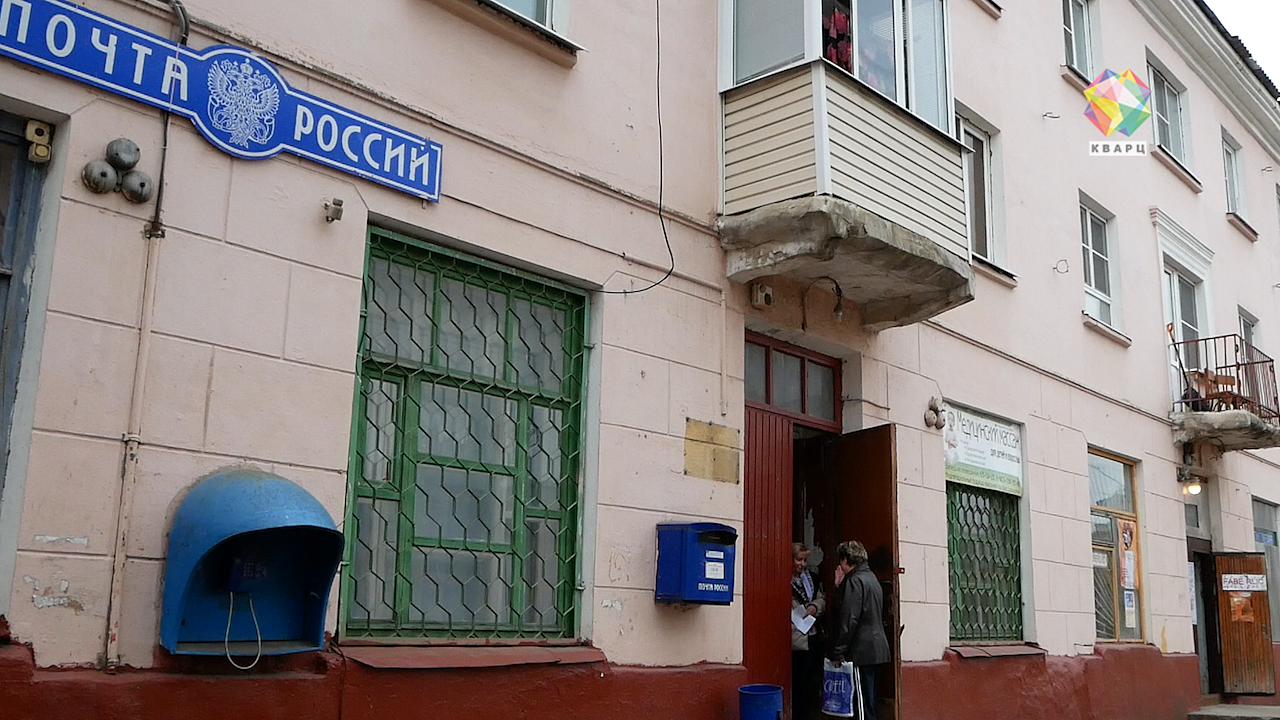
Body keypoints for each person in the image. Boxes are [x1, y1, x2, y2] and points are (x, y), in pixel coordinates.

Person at [826, 540, 890, 720]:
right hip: (875, 649)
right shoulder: (871, 578)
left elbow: (849, 618)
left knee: (860, 704)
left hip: (861, 651)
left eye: (841, 561)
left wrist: (838, 651)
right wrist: (839, 587)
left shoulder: (855, 581)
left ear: (846, 560)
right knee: (868, 701)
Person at [791, 543, 825, 720]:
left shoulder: (812, 579)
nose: (802, 564)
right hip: (794, 637)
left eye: (805, 560)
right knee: (796, 680)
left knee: (809, 680)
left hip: (811, 633)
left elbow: (822, 598)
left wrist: (815, 607)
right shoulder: (783, 579)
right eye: (799, 560)